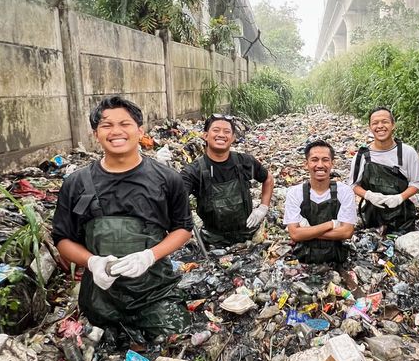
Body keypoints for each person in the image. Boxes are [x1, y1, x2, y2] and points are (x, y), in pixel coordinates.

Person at [52, 95, 193, 338]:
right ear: (96, 134)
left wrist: (149, 256)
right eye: (106, 125)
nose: (116, 131)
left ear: (140, 130)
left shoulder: (167, 179)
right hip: (100, 296)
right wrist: (93, 262)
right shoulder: (76, 184)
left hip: (154, 292)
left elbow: (183, 229)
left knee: (176, 340)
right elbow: (62, 239)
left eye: (124, 124)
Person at [182, 113, 274, 248]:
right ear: (205, 135)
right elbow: (175, 193)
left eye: (226, 132)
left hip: (248, 236)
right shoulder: (195, 171)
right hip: (212, 241)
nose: (221, 135)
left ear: (233, 138)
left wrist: (263, 207)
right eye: (216, 130)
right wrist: (163, 169)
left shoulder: (245, 162)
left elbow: (268, 179)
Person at [348, 106, 419, 233]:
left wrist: (399, 198)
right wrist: (369, 195)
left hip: (403, 217)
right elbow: (353, 185)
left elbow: (417, 182)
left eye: (385, 122)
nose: (380, 126)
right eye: (375, 123)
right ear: (370, 128)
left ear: (393, 125)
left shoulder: (407, 152)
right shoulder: (361, 156)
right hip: (372, 217)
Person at [284, 140, 357, 265]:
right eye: (314, 160)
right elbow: (295, 234)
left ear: (332, 163)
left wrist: (306, 232)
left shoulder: (344, 192)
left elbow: (347, 232)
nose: (320, 165)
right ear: (306, 164)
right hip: (303, 258)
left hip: (337, 257)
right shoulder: (295, 193)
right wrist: (331, 224)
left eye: (325, 160)